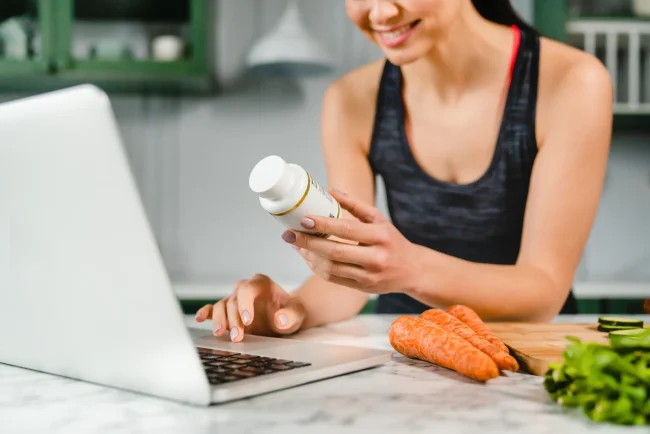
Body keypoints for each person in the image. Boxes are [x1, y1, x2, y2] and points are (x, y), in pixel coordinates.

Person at [196, 0, 613, 342]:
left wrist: (411, 270)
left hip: (530, 351)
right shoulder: (351, 100)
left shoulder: (571, 82)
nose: (379, 14)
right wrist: (290, 309)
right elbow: (348, 275)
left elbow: (542, 291)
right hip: (406, 350)